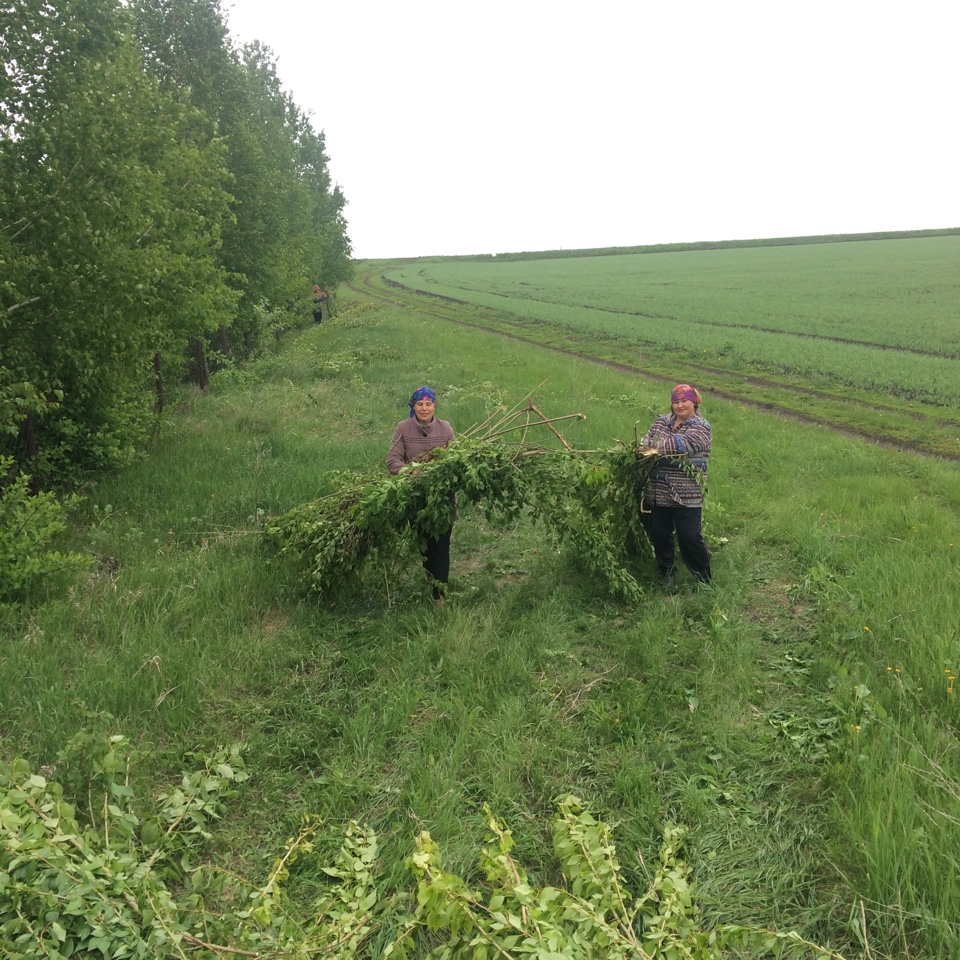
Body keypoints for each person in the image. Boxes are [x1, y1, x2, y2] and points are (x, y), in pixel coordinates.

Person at [386, 386, 456, 602]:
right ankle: (431, 582)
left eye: (428, 404)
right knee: (424, 546)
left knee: (441, 548)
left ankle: (439, 596)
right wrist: (411, 471)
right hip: (415, 499)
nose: (424, 408)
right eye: (420, 404)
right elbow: (392, 461)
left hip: (442, 500)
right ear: (413, 406)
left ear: (435, 405)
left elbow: (457, 459)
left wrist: (443, 469)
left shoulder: (446, 428)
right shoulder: (403, 428)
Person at [640, 384, 712, 584]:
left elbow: (683, 445)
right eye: (676, 402)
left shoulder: (701, 426)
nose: (680, 406)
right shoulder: (662, 421)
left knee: (689, 536)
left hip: (687, 490)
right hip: (658, 489)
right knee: (660, 535)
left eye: (684, 401)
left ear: (694, 402)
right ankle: (666, 573)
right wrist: (652, 446)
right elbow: (644, 441)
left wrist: (655, 447)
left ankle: (703, 578)